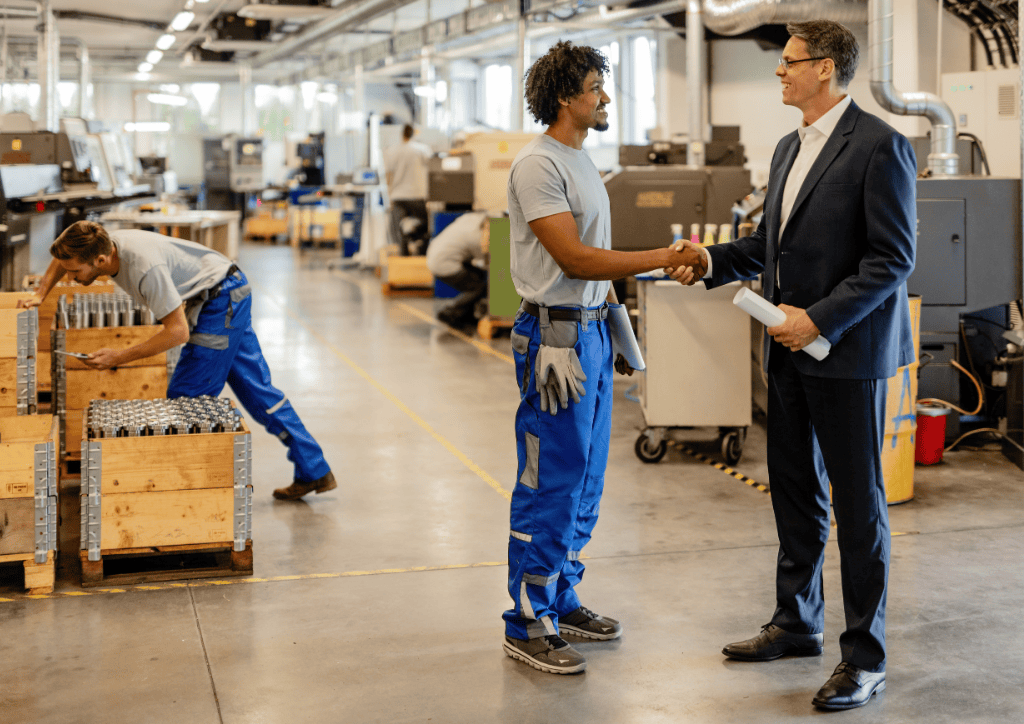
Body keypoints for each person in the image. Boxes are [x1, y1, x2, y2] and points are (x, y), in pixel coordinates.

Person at [668, 20, 916, 710]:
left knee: (859, 508)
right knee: (793, 491)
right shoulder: (786, 149)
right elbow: (772, 245)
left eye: (790, 63)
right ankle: (796, 622)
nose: (779, 73)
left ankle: (865, 657)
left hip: (845, 353)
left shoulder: (879, 146)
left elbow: (892, 259)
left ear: (827, 69)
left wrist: (820, 318)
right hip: (786, 352)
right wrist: (713, 260)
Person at [502, 40, 706, 675]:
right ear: (567, 96)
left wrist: (618, 330)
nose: (606, 97)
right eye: (596, 87)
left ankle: (561, 596)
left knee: (586, 480)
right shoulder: (538, 166)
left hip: (589, 333)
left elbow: (597, 262)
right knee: (551, 477)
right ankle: (527, 618)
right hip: (554, 341)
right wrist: (663, 257)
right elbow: (575, 259)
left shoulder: (582, 161)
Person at [22, 221, 337, 502]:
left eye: (76, 272)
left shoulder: (144, 269)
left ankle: (189, 501)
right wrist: (40, 294)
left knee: (186, 399)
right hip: (226, 289)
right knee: (256, 390)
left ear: (102, 260)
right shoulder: (96, 243)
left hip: (220, 299)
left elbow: (177, 332)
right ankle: (314, 469)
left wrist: (120, 356)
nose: (72, 278)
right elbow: (61, 258)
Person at [426, 211, 488, 328]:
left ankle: (466, 316)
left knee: (478, 275)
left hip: (434, 255)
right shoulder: (475, 236)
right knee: (478, 286)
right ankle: (450, 311)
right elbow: (489, 263)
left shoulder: (470, 218)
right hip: (443, 264)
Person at [385, 123, 431, 255]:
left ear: (402, 135)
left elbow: (389, 175)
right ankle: (421, 249)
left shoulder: (393, 151)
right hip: (417, 195)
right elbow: (433, 169)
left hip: (398, 196)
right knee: (426, 224)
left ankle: (403, 253)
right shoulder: (423, 149)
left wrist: (389, 195)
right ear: (413, 134)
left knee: (397, 227)